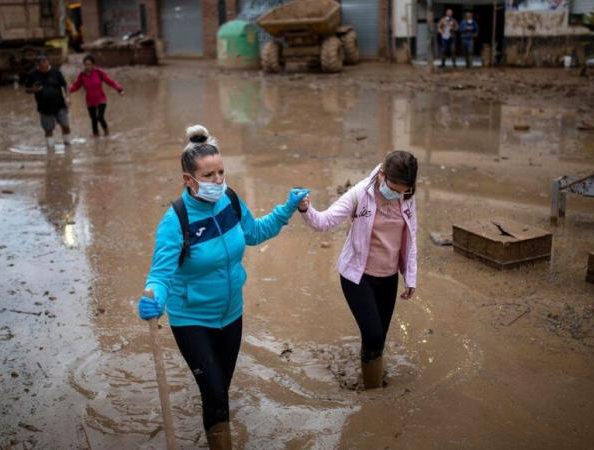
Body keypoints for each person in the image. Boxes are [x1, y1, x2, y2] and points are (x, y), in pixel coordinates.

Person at [137, 125, 309, 450]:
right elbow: (160, 275)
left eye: (221, 172)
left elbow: (255, 233)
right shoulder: (175, 220)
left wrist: (287, 208)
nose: (218, 181)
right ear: (189, 180)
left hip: (232, 314)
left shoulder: (229, 200)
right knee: (214, 393)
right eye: (209, 175)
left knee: (221, 390)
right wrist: (155, 298)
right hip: (192, 319)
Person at [298, 151, 418, 389]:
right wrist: (305, 209)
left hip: (389, 277)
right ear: (382, 175)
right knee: (373, 334)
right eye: (393, 188)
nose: (396, 194)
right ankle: (373, 392)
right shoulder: (360, 193)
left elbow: (412, 237)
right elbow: (324, 222)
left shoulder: (408, 197)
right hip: (357, 277)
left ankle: (372, 377)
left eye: (401, 190)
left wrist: (410, 277)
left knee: (379, 338)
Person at [69, 54, 124, 137]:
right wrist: (68, 91)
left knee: (100, 117)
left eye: (89, 64)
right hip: (90, 101)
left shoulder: (99, 72)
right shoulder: (82, 75)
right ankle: (96, 137)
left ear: (93, 64)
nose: (87, 66)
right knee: (93, 119)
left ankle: (107, 133)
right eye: (86, 64)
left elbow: (110, 81)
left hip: (101, 99)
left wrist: (119, 89)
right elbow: (76, 86)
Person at [24, 55, 71, 150]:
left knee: (65, 125)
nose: (43, 67)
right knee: (48, 129)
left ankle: (68, 145)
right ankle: (50, 149)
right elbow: (26, 89)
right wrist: (33, 90)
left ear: (48, 62)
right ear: (37, 65)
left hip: (59, 104)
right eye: (41, 65)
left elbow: (65, 85)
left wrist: (67, 97)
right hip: (44, 107)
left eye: (45, 64)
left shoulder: (56, 72)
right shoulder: (32, 75)